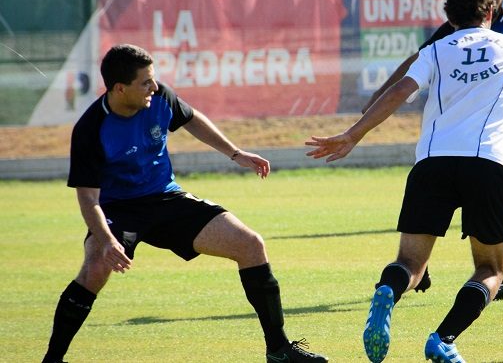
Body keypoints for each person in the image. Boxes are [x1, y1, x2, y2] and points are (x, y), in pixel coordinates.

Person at [307, 0, 503, 363]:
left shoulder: (436, 49)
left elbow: (398, 91)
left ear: (447, 14)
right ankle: (443, 339)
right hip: (489, 166)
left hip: (432, 164)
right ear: (491, 12)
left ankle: (387, 292)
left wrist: (352, 135)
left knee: (410, 265)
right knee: (491, 270)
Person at [42, 44, 328, 363]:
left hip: (166, 198)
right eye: (145, 82)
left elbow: (191, 119)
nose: (154, 86)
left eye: (154, 79)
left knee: (250, 245)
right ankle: (52, 359)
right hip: (117, 209)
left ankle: (279, 351)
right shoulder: (91, 129)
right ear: (119, 88)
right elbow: (88, 198)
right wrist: (107, 241)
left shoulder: (160, 96)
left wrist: (235, 153)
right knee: (94, 269)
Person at [361, 0, 503, 302]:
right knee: (494, 195)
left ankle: (411, 272)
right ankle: (485, 276)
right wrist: (382, 90)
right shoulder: (460, 31)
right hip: (483, 152)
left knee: (430, 222)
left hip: (473, 135)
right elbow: (417, 60)